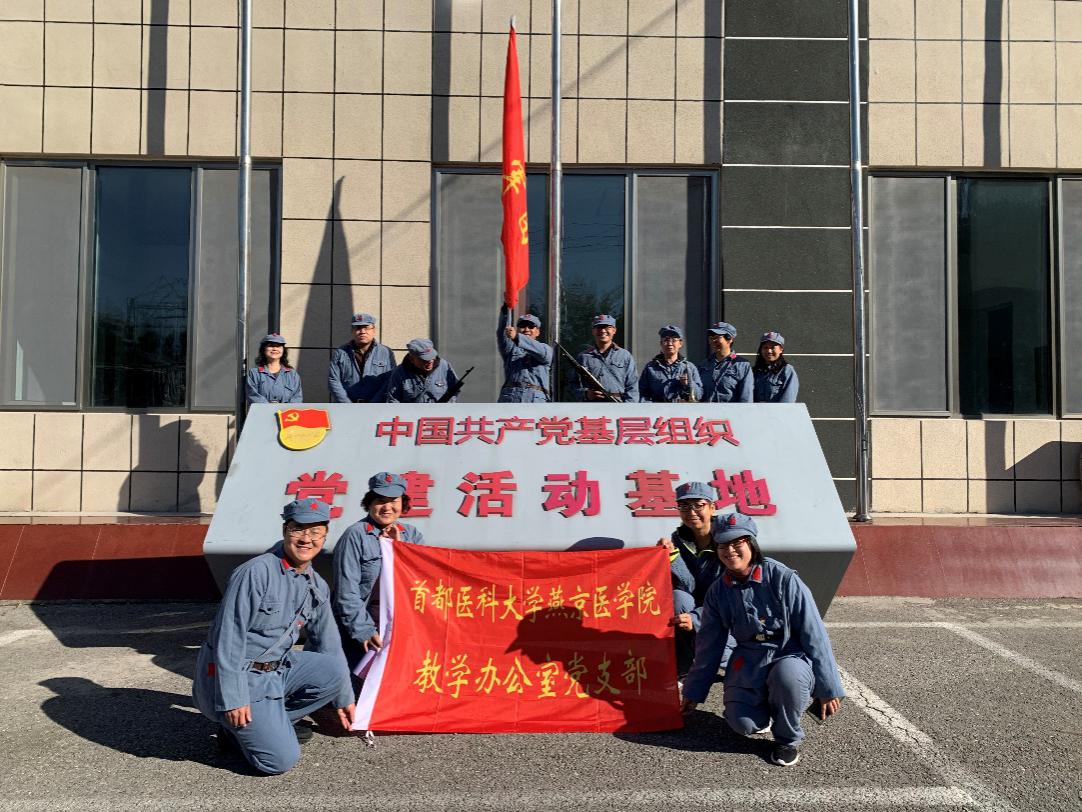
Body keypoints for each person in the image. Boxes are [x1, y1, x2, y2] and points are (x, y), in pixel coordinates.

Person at [192, 499, 354, 775]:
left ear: (325, 536)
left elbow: (329, 644)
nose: (306, 539)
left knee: (335, 670)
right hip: (240, 675)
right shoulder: (255, 573)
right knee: (280, 761)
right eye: (297, 529)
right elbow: (228, 639)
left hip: (274, 672)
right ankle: (236, 727)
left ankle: (263, 723)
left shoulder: (316, 585)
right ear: (284, 530)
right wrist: (234, 698)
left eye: (315, 531)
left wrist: (344, 698)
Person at [680, 512, 845, 768]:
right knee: (743, 725)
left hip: (788, 654)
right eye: (722, 545)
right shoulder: (718, 592)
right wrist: (694, 691)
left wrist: (828, 689)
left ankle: (788, 739)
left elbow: (814, 634)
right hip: (749, 659)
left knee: (789, 677)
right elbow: (709, 647)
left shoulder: (783, 579)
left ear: (752, 544)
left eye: (737, 543)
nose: (729, 551)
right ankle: (766, 707)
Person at [332, 472, 425, 668]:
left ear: (403, 503)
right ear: (369, 502)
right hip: (360, 633)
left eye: (393, 501)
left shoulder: (412, 535)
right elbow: (346, 593)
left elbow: (420, 583)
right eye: (380, 501)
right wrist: (363, 630)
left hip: (398, 631)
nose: (387, 507)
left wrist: (399, 548)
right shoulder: (355, 535)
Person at [658, 482, 726, 677]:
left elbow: (728, 593)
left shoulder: (727, 538)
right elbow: (688, 586)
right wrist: (672, 556)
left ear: (712, 507)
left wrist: (696, 618)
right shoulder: (678, 538)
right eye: (684, 506)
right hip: (697, 605)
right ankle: (684, 667)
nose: (691, 512)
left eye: (698, 505)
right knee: (678, 598)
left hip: (726, 607)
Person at [569, 314, 639, 402]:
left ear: (614, 330)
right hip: (591, 407)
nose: (603, 331)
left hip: (618, 406)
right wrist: (585, 394)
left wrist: (629, 407)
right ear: (593, 331)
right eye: (599, 327)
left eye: (607, 327)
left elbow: (632, 386)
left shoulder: (625, 356)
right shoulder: (583, 357)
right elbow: (572, 385)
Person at [328, 313, 396, 403]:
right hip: (346, 407)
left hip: (376, 407)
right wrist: (347, 404)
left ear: (374, 330)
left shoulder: (386, 352)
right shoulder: (340, 352)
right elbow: (333, 380)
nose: (362, 331)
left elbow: (390, 381)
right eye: (358, 328)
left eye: (366, 328)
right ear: (352, 331)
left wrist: (374, 404)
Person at [497, 305, 553, 402]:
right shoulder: (510, 349)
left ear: (538, 332)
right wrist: (507, 308)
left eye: (531, 326)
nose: (526, 329)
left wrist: (517, 337)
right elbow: (503, 332)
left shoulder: (545, 349)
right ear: (517, 329)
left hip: (535, 399)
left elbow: (542, 353)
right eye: (522, 326)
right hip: (511, 398)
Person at [639, 325, 703, 403]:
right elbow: (642, 393)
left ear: (680, 343)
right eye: (666, 340)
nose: (670, 343)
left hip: (682, 409)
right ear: (661, 343)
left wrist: (689, 383)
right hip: (657, 409)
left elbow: (699, 395)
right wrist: (651, 407)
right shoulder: (650, 368)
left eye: (674, 340)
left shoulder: (689, 367)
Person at [384, 339, 460, 403]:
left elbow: (455, 390)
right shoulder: (399, 372)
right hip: (411, 415)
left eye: (432, 357)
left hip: (440, 415)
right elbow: (393, 399)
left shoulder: (444, 366)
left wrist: (448, 405)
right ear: (412, 359)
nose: (430, 361)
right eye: (425, 359)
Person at [698, 321, 753, 403]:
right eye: (711, 337)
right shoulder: (703, 365)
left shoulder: (742, 366)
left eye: (717, 337)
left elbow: (746, 398)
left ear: (729, 339)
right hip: (706, 411)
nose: (713, 341)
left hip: (731, 411)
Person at [245, 333, 303, 404]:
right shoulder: (254, 374)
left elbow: (297, 398)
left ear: (283, 350)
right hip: (262, 411)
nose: (275, 349)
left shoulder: (292, 375)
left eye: (278, 346)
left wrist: (284, 409)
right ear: (263, 349)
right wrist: (270, 408)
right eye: (271, 345)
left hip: (286, 411)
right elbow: (253, 396)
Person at [753, 330, 799, 403]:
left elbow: (788, 400)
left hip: (778, 410)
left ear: (781, 350)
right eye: (765, 347)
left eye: (773, 347)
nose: (769, 351)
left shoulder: (787, 371)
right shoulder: (755, 372)